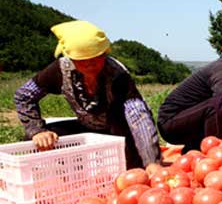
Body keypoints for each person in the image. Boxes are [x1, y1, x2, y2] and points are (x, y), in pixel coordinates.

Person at [14, 20, 161, 168]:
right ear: (71, 59)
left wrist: (151, 162)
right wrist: (37, 130)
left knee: (130, 166)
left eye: (97, 58)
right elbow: (24, 96)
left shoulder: (117, 74)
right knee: (36, 139)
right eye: (83, 60)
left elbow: (139, 118)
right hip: (87, 129)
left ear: (105, 54)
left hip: (118, 133)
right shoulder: (60, 70)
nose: (91, 65)